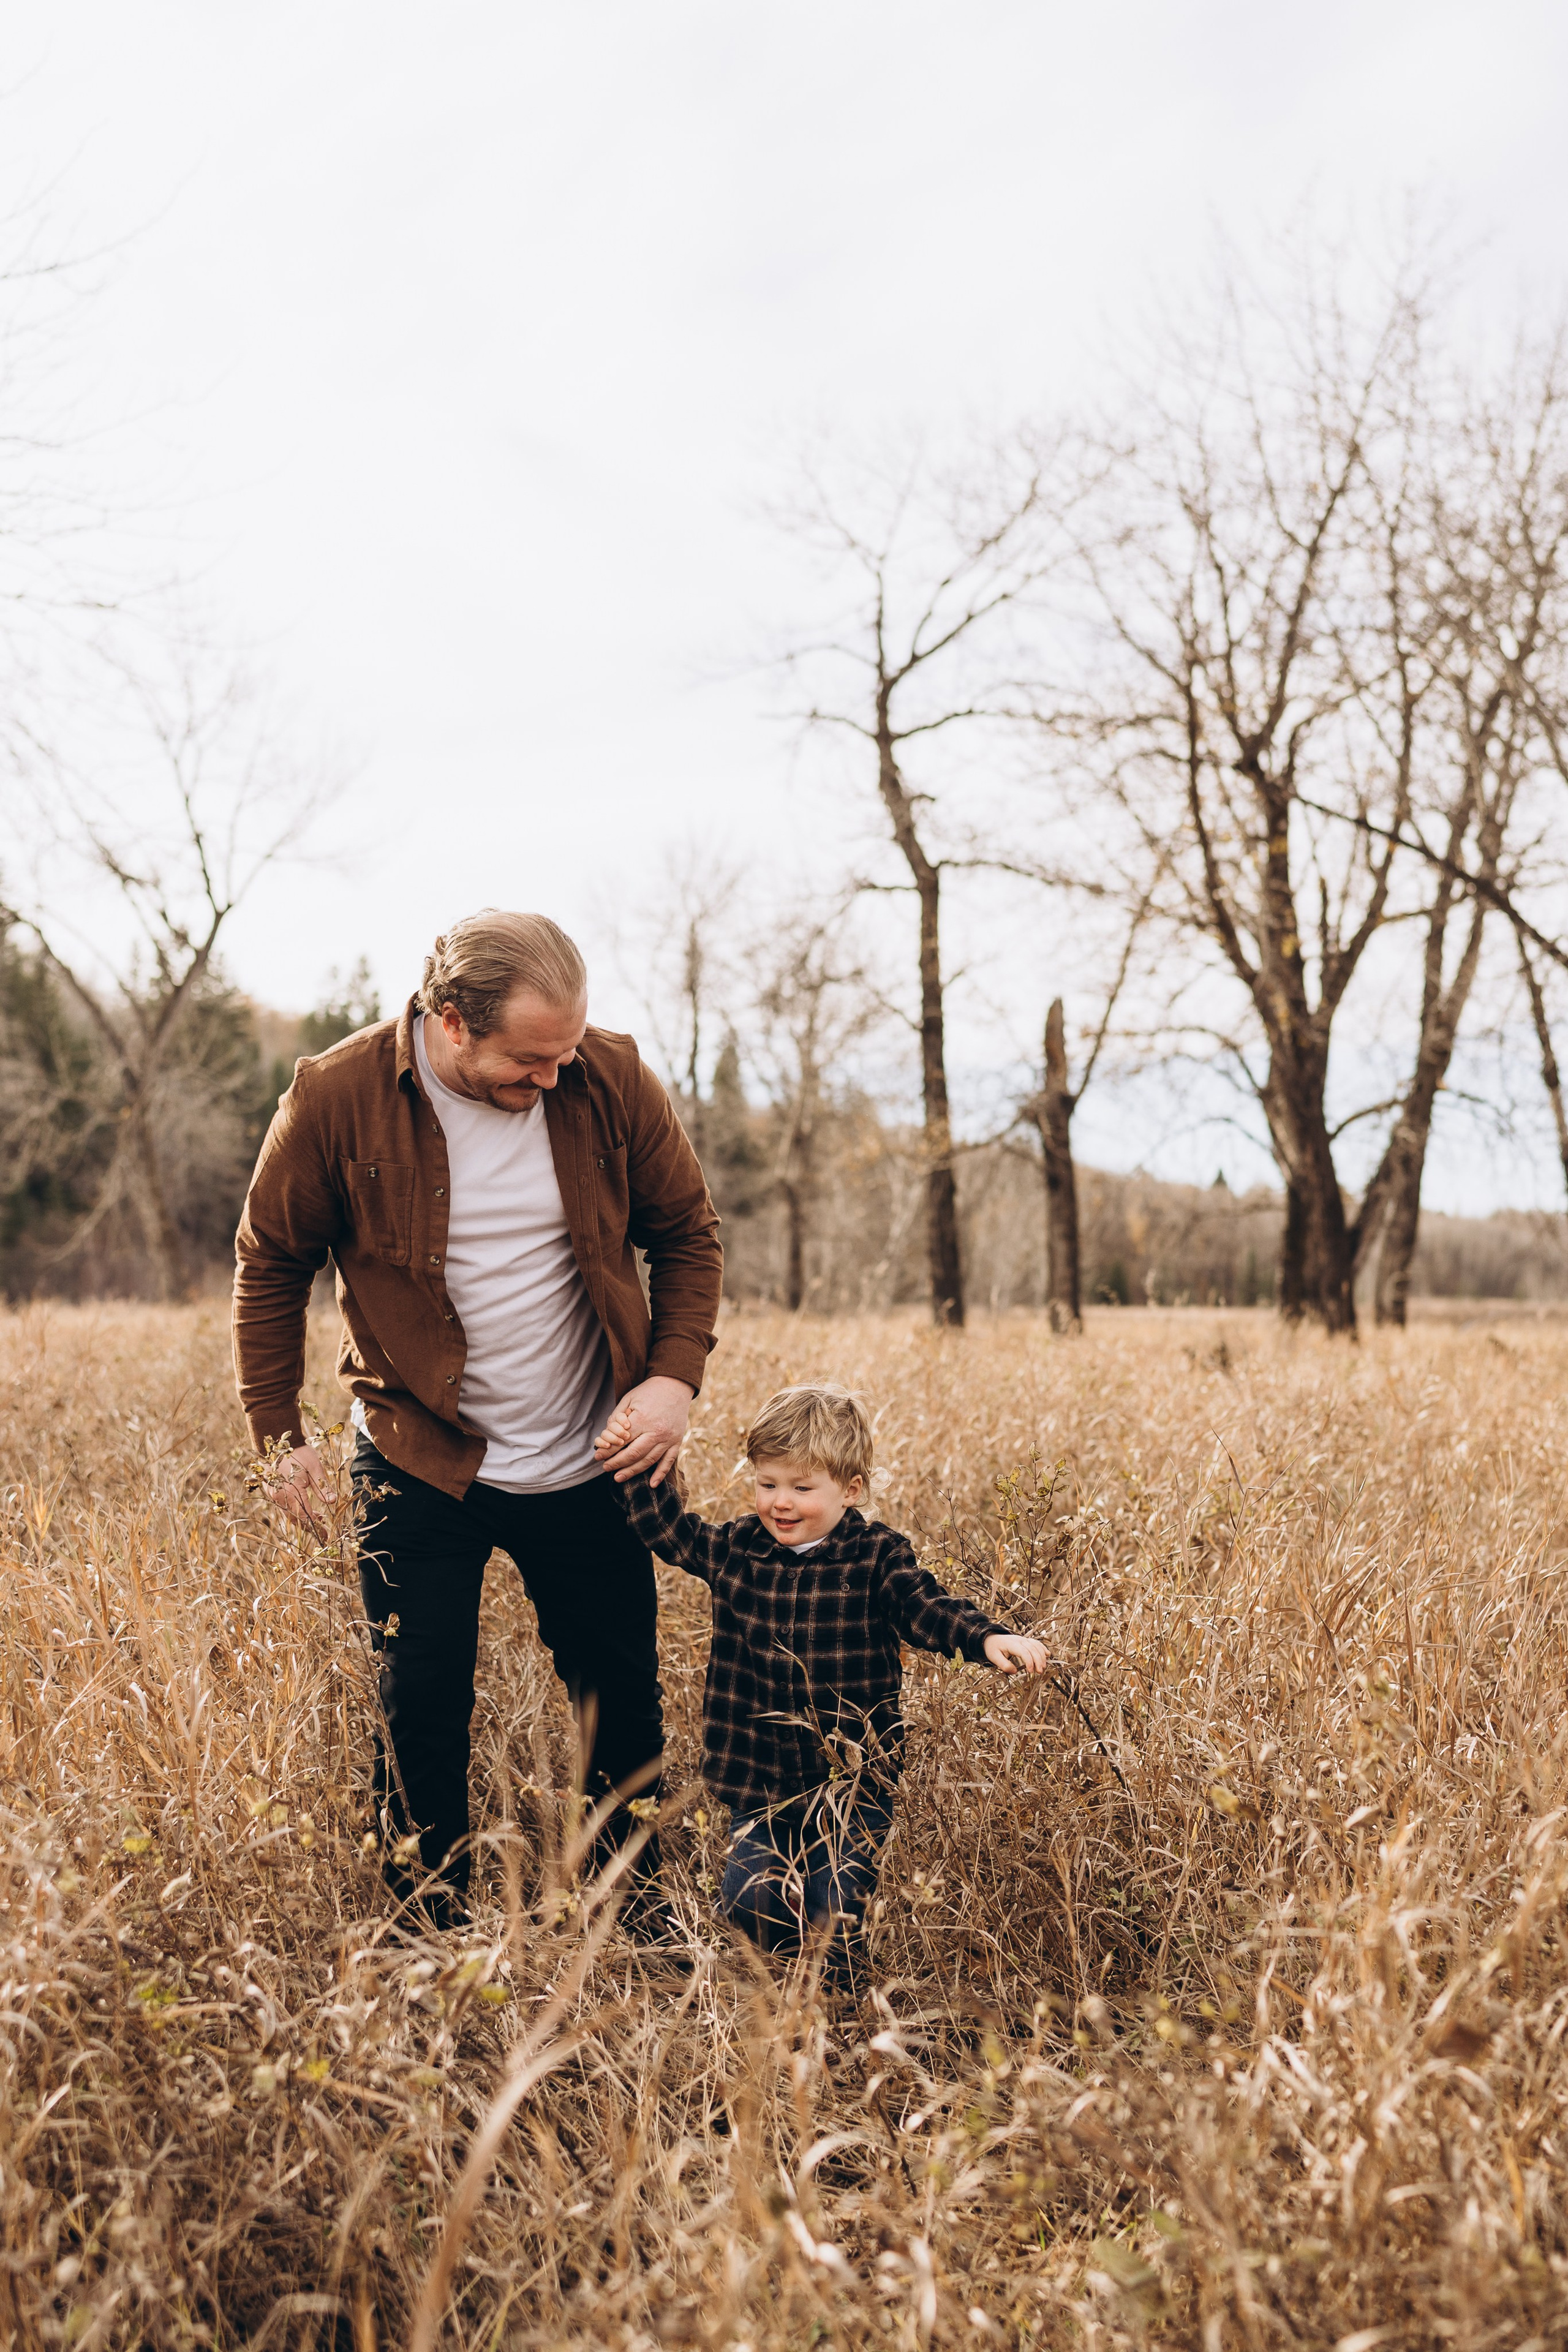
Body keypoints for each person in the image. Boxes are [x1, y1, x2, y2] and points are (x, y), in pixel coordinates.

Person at [232, 909, 723, 1929]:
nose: (553, 1079)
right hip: (418, 1457)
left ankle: (630, 1922)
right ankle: (429, 1940)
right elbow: (272, 1263)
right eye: (529, 1061)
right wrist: (278, 1437)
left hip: (594, 1456)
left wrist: (673, 1380)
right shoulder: (335, 1098)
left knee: (621, 1708)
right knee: (419, 1711)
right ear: (450, 1021)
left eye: (568, 1053)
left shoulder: (612, 1078)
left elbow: (688, 1234)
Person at [598, 1382, 1052, 1988]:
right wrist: (634, 1462)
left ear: (850, 1489)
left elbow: (927, 1608)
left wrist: (985, 1638)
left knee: (836, 1909)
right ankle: (788, 1972)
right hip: (759, 1777)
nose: (780, 1502)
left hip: (851, 1780)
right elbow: (667, 1532)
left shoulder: (875, 1558)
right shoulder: (738, 1549)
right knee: (749, 1900)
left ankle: (838, 2006)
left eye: (802, 1488)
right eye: (767, 1483)